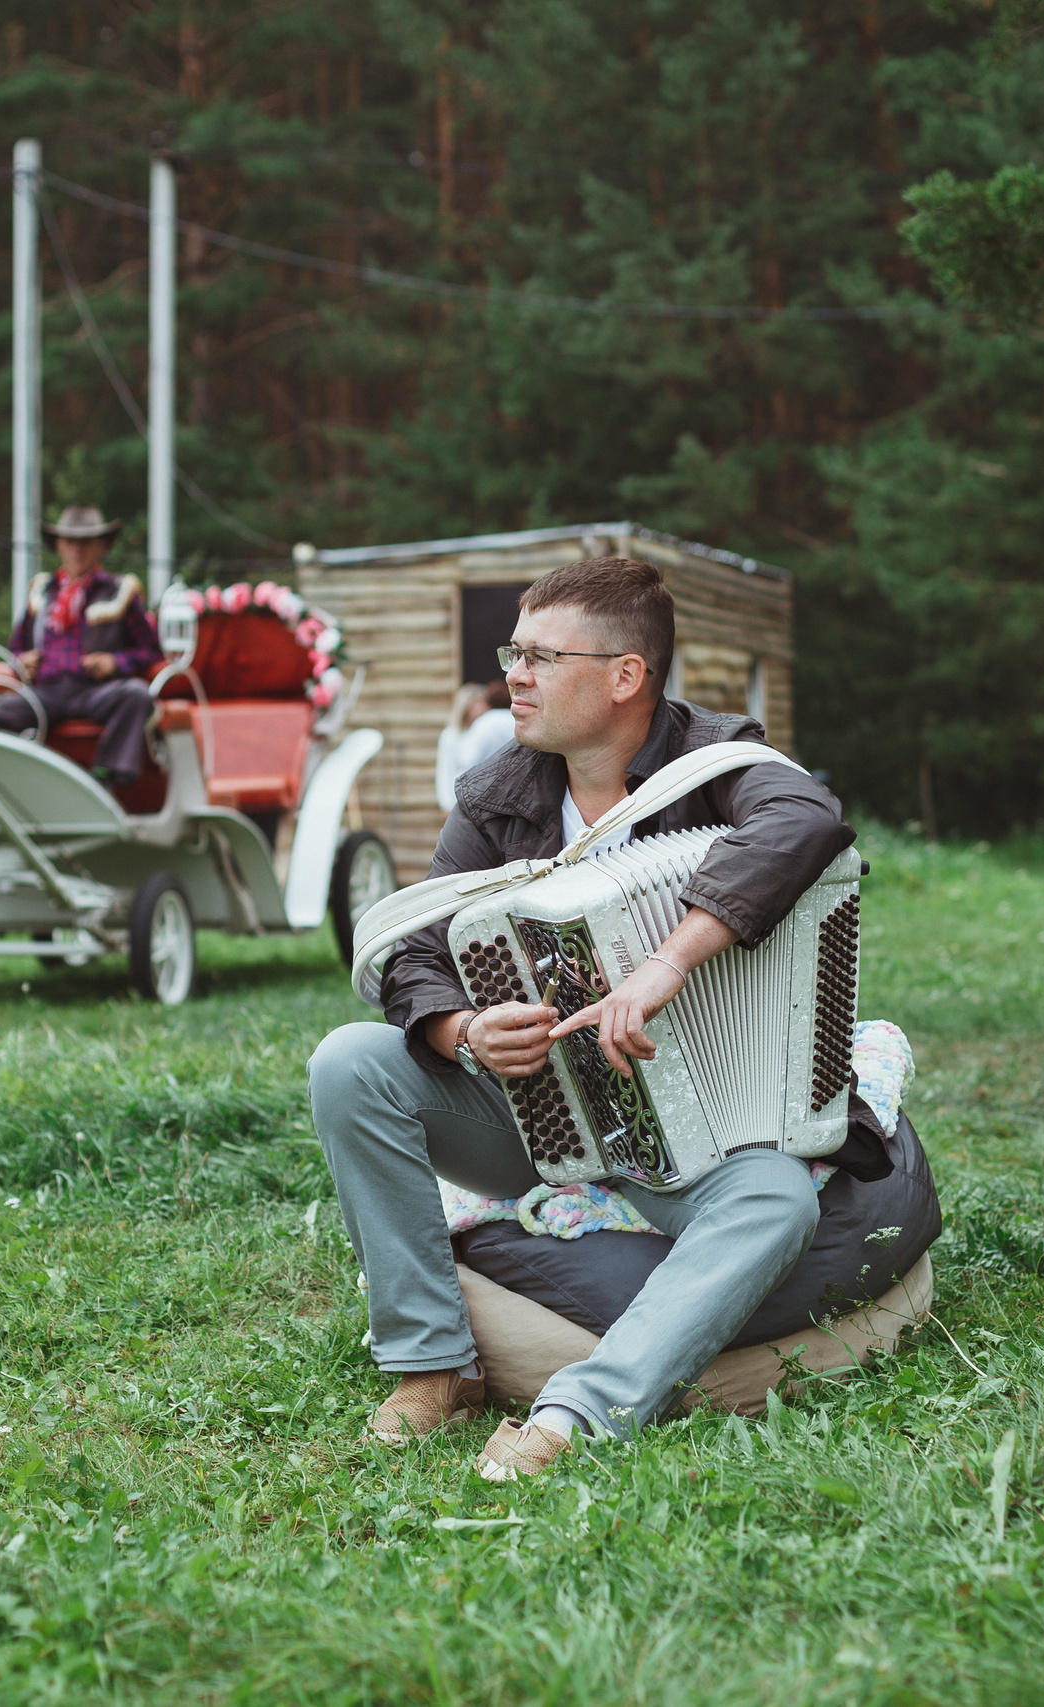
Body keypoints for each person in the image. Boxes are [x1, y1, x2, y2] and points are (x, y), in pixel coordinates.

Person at [306, 556, 852, 1480]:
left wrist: (669, 961)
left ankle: (574, 1416)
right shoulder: (496, 794)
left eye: (539, 656)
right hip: (539, 1113)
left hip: (703, 1128)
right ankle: (436, 1367)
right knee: (347, 1063)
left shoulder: (724, 764)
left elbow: (807, 820)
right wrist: (464, 1034)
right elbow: (415, 948)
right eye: (512, 651)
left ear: (625, 676)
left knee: (779, 1200)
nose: (512, 674)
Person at [0, 505, 162, 787]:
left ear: (101, 546)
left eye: (86, 542)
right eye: (70, 541)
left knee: (136, 695)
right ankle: (5, 784)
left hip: (94, 691)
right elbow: (15, 647)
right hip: (46, 692)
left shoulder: (119, 591)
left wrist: (114, 663)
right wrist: (22, 660)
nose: (78, 549)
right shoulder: (42, 591)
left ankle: (105, 778)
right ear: (59, 546)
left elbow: (150, 651)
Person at [433, 679, 515, 813]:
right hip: (458, 797)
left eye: (482, 703)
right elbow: (445, 770)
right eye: (475, 703)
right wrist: (447, 803)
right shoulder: (451, 735)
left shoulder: (487, 729)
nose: (480, 708)